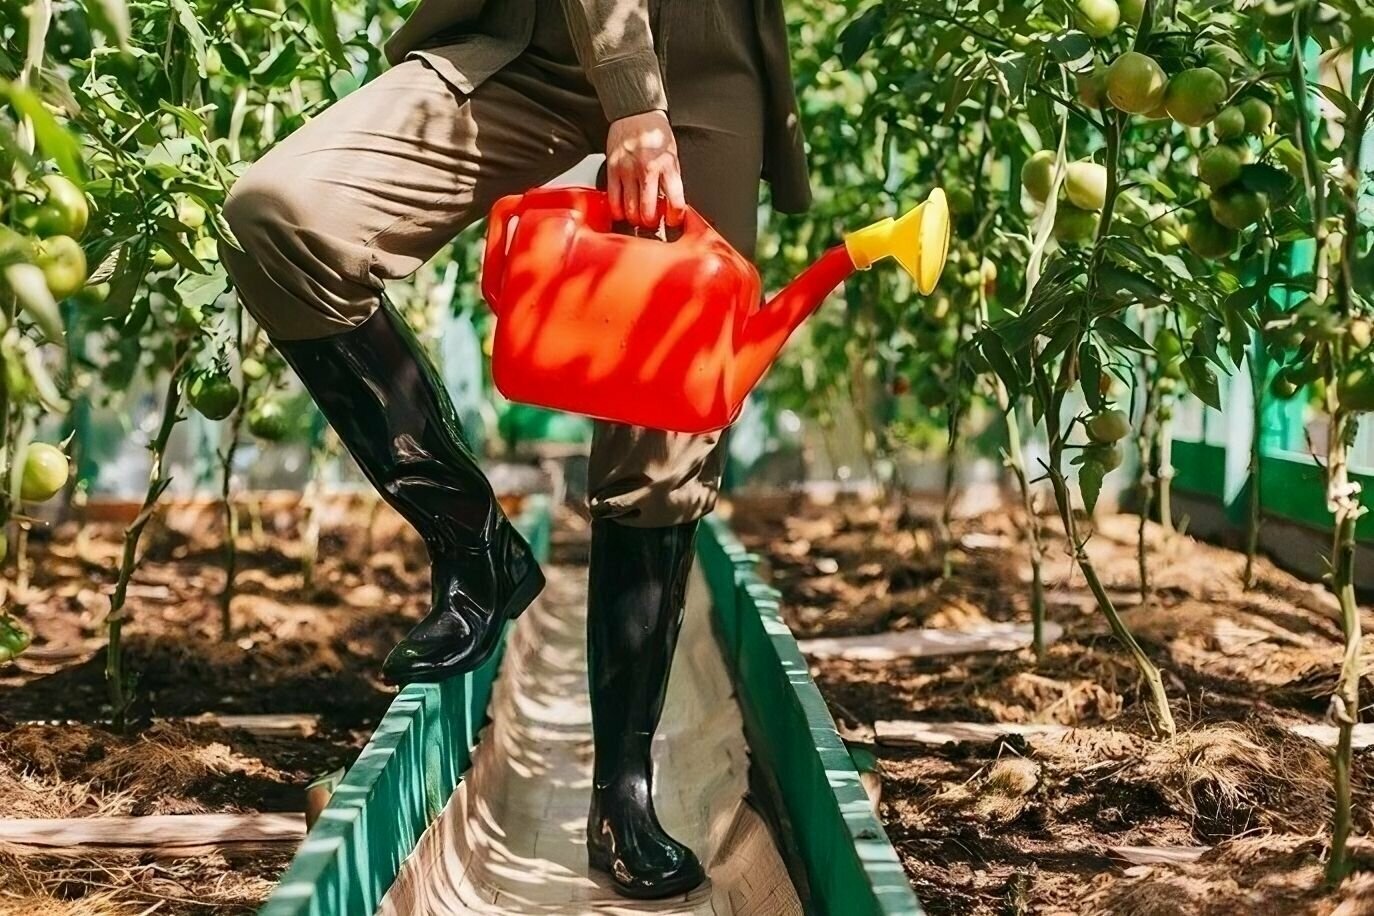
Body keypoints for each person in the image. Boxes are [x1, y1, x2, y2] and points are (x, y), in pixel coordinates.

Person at [220, 0, 809, 899]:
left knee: (666, 428)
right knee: (283, 212)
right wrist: (627, 97)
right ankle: (474, 546)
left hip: (705, 55)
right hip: (527, 36)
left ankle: (623, 794)